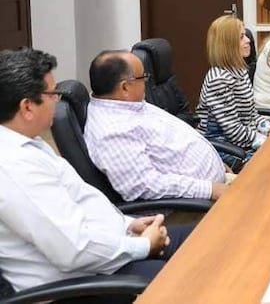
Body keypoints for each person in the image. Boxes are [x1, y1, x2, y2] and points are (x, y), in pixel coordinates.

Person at [0, 48, 192, 300]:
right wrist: (143, 245)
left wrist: (129, 224)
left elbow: (81, 204)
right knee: (189, 278)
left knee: (209, 237)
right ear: (27, 107)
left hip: (106, 253)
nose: (57, 100)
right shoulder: (14, 167)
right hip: (80, 284)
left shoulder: (30, 143)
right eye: (52, 93)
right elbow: (73, 250)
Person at [86, 50, 230, 202]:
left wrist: (214, 163)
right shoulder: (112, 131)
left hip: (216, 184)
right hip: (191, 206)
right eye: (143, 77)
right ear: (125, 88)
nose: (146, 82)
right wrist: (209, 189)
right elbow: (146, 185)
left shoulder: (125, 104)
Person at [197, 15, 270, 162]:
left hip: (241, 141)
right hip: (222, 147)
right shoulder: (219, 79)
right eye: (241, 37)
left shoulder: (240, 70)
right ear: (227, 44)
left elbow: (252, 115)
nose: (248, 40)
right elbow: (233, 130)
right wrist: (265, 141)